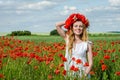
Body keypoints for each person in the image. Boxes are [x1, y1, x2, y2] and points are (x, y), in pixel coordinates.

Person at [56, 13, 93, 79]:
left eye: (80, 26)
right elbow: (57, 25)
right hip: (69, 72)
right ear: (72, 28)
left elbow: (90, 64)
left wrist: (84, 75)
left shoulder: (87, 44)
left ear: (83, 28)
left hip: (82, 73)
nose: (78, 28)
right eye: (75, 26)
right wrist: (70, 20)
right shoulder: (67, 39)